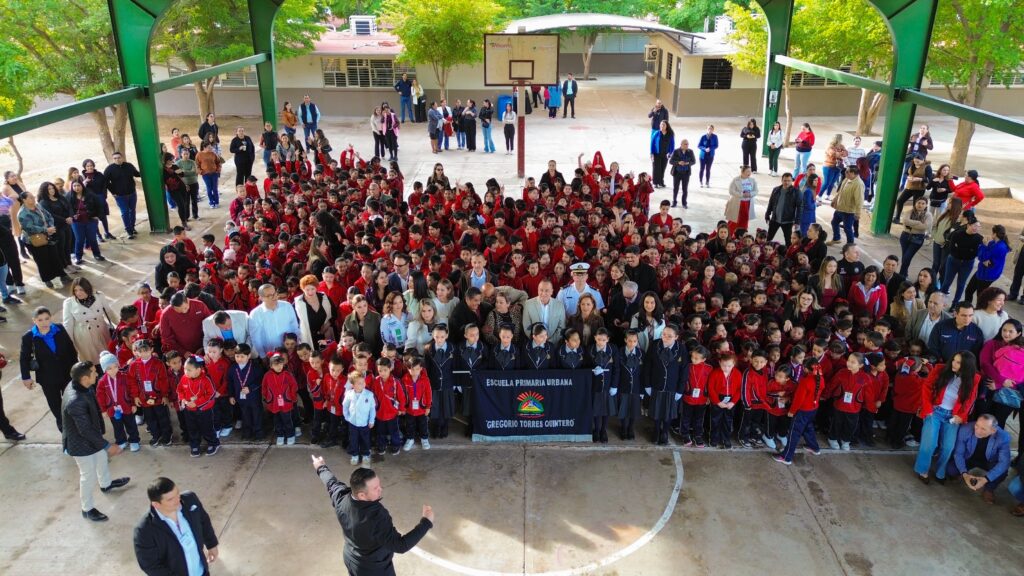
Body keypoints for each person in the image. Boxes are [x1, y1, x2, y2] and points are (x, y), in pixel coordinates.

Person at [312, 455, 433, 576]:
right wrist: (426, 522)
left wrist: (320, 467)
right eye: (375, 488)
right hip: (374, 569)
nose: (381, 489)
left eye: (379, 485)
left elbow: (331, 483)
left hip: (351, 558)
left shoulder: (341, 498)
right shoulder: (376, 518)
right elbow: (400, 545)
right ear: (362, 495)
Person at [63, 360, 130, 522]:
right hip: (81, 444)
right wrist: (107, 445)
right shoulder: (75, 401)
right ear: (85, 378)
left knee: (101, 460)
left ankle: (106, 484)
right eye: (94, 372)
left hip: (93, 438)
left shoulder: (80, 385)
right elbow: (84, 430)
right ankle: (87, 509)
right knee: (88, 475)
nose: (97, 373)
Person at [913, 351, 980, 484]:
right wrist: (927, 409)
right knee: (929, 444)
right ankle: (923, 470)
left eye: (959, 362)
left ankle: (940, 472)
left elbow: (970, 399)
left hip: (953, 417)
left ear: (967, 365)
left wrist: (961, 416)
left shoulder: (974, 378)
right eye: (954, 360)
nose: (954, 364)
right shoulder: (940, 369)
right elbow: (926, 387)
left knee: (948, 447)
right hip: (935, 411)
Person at [134, 477, 219, 575]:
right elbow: (151, 565)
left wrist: (211, 544)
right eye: (170, 499)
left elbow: (203, 520)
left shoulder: (190, 500)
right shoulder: (144, 531)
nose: (178, 500)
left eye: (177, 493)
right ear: (156, 504)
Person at [21, 306, 79, 431]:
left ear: (50, 318)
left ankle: (76, 423)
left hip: (66, 373)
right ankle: (64, 427)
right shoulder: (29, 337)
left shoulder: (59, 329)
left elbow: (71, 349)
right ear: (34, 321)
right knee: (55, 404)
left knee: (72, 401)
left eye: (47, 319)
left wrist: (76, 369)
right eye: (40, 320)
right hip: (47, 378)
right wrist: (26, 377)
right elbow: (24, 358)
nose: (44, 323)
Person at [947, 415, 1012, 504]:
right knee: (951, 469)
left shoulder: (1003, 437)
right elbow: (959, 454)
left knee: (1002, 472)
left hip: (989, 461)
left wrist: (986, 479)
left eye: (983, 429)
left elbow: (1004, 463)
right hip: (970, 457)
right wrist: (964, 474)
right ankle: (961, 475)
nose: (977, 430)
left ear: (993, 431)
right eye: (977, 425)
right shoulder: (965, 429)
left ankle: (989, 489)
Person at [18, 192, 69, 288]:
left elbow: (49, 216)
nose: (33, 198)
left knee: (54, 256)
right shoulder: (22, 213)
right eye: (31, 197)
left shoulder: (37, 206)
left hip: (47, 235)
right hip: (34, 240)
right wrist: (46, 229)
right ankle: (47, 279)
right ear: (24, 200)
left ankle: (61, 275)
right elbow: (29, 228)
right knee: (42, 260)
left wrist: (50, 226)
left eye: (33, 196)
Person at [63, 277, 117, 364]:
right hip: (84, 338)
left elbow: (109, 312)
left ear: (87, 288)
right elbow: (68, 324)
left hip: (102, 332)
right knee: (92, 363)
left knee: (108, 359)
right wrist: (69, 343)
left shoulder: (99, 296)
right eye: (75, 290)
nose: (78, 293)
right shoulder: (69, 303)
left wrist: (121, 325)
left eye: (81, 289)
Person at [248, 284, 300, 357]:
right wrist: (262, 355)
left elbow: (295, 328)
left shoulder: (287, 306)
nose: (274, 297)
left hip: (291, 351)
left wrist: (298, 345)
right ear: (261, 298)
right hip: (271, 354)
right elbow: (256, 338)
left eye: (275, 293)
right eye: (269, 295)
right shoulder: (255, 314)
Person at [963, 225, 1010, 306]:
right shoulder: (993, 243)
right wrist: (983, 255)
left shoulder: (1000, 247)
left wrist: (984, 245)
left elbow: (984, 258)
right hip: (982, 271)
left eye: (992, 232)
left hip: (987, 275)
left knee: (980, 296)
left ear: (995, 234)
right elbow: (981, 256)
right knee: (969, 290)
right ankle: (967, 308)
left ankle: (978, 313)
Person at [102, 150, 141, 239]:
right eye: (115, 158)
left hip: (132, 193)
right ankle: (128, 230)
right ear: (113, 159)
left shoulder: (129, 166)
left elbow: (137, 174)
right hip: (120, 196)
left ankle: (132, 227)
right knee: (125, 212)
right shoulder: (109, 169)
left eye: (119, 158)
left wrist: (146, 171)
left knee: (132, 210)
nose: (117, 160)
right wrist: (113, 193)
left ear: (122, 158)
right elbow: (106, 182)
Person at [159, 292, 211, 357]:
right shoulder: (166, 314)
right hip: (182, 353)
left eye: (185, 308)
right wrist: (183, 352)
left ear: (188, 301)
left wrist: (204, 346)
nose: (184, 311)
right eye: (179, 311)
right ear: (172, 307)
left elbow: (210, 325)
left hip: (204, 347)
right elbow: (166, 337)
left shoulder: (200, 305)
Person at [522, 279, 567, 347]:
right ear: (538, 290)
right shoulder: (528, 304)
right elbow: (527, 327)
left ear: (552, 291)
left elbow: (561, 327)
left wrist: (549, 341)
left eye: (547, 290)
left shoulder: (559, 305)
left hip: (553, 345)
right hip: (535, 344)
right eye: (541, 290)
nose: (543, 293)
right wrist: (537, 340)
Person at [828, 167, 864, 245]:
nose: (845, 173)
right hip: (840, 208)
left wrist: (858, 213)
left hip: (849, 211)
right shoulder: (846, 179)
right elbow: (840, 191)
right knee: (834, 222)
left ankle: (850, 246)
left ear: (853, 173)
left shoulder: (858, 184)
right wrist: (834, 200)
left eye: (847, 172)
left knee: (847, 229)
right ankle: (836, 238)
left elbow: (859, 200)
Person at [898, 197, 933, 277]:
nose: (920, 205)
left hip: (918, 238)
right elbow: (905, 221)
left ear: (926, 205)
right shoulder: (909, 211)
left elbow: (925, 226)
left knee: (907, 257)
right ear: (915, 204)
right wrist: (918, 223)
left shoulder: (928, 215)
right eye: (919, 203)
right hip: (905, 236)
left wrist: (911, 224)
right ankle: (905, 273)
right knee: (905, 256)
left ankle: (901, 275)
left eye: (923, 203)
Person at [764, 172, 801, 245]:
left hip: (788, 221)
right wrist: (767, 214)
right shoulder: (776, 190)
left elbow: (800, 207)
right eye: (785, 180)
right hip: (775, 219)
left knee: (788, 241)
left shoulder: (796, 192)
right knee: (768, 238)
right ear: (781, 180)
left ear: (792, 181)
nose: (787, 182)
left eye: (789, 181)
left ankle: (788, 255)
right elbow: (771, 203)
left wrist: (797, 221)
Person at [725, 165, 757, 235]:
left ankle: (742, 235)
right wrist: (741, 194)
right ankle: (729, 235)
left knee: (745, 220)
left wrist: (750, 194)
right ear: (742, 172)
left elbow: (756, 191)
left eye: (750, 171)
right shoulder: (736, 180)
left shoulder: (752, 180)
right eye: (747, 171)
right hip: (737, 203)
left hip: (747, 203)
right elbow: (731, 191)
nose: (749, 173)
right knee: (734, 220)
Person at [195, 141, 223, 209]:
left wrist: (218, 170)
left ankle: (216, 202)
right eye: (209, 147)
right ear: (204, 147)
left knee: (215, 189)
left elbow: (218, 162)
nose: (211, 148)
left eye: (211, 147)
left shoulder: (213, 154)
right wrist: (200, 172)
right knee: (209, 188)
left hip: (214, 173)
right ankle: (211, 202)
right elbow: (197, 165)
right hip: (206, 174)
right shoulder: (199, 154)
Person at [819, 134, 848, 198]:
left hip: (838, 167)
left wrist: (840, 154)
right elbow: (833, 154)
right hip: (829, 166)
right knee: (827, 183)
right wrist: (841, 154)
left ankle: (828, 195)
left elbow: (846, 153)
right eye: (839, 139)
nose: (840, 140)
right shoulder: (830, 146)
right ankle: (819, 196)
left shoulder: (841, 146)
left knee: (832, 183)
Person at [669, 139, 695, 208]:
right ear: (681, 145)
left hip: (686, 174)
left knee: (685, 189)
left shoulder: (690, 151)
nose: (687, 145)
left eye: (687, 144)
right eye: (685, 144)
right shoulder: (676, 151)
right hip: (677, 173)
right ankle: (674, 202)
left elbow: (694, 161)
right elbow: (671, 161)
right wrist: (678, 162)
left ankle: (684, 203)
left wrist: (688, 163)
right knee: (675, 188)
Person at [650, 120, 674, 189]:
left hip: (665, 155)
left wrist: (670, 153)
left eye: (663, 125)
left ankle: (661, 182)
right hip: (656, 154)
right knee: (656, 168)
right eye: (661, 125)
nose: (661, 126)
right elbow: (652, 144)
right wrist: (651, 153)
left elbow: (672, 145)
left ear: (666, 126)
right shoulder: (656, 133)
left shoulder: (670, 134)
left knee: (662, 168)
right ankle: (655, 183)